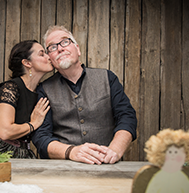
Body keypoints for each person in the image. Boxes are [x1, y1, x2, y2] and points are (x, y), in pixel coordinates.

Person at [32, 25, 137, 164]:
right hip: (62, 168)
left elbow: (127, 116)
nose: (60, 48)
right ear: (50, 58)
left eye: (65, 42)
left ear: (78, 49)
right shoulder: (44, 90)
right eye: (52, 47)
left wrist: (115, 150)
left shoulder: (107, 78)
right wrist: (71, 152)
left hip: (107, 165)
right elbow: (41, 136)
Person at [0, 40, 53, 158]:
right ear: (27, 63)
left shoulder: (41, 91)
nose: (49, 57)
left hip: (23, 153)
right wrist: (33, 124)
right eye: (42, 54)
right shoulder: (11, 88)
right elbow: (4, 131)